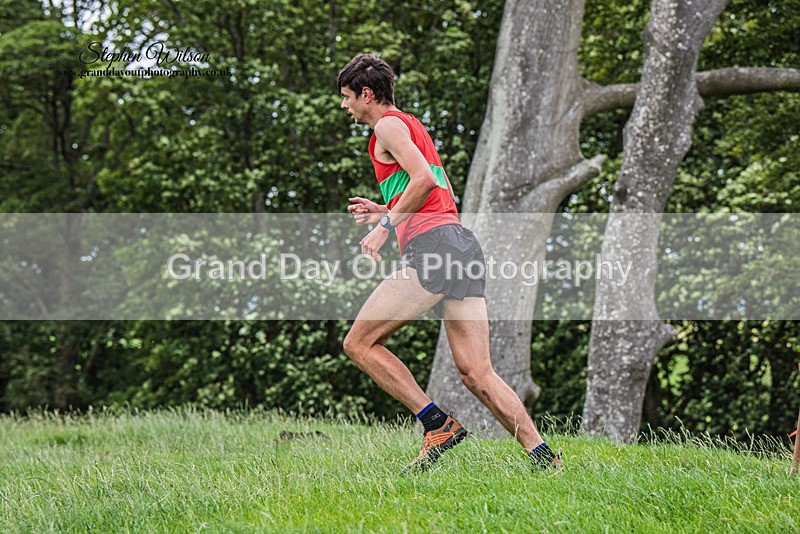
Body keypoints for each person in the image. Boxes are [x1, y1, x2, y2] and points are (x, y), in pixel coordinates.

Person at [338, 53, 562, 472]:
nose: (344, 105)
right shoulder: (411, 125)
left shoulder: (386, 126)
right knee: (477, 372)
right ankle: (546, 460)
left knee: (359, 343)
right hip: (459, 244)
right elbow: (442, 190)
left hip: (434, 247)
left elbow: (424, 181)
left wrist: (385, 225)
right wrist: (384, 207)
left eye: (347, 96)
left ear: (366, 94)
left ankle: (436, 424)